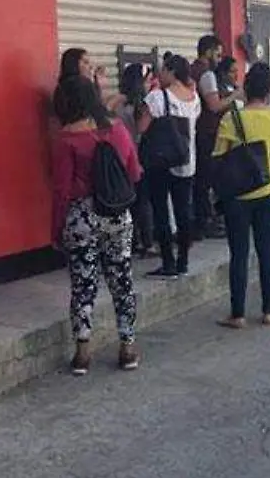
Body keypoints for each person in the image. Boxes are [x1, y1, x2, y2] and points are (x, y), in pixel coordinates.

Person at [51, 75, 143, 375]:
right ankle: (128, 348)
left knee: (83, 284)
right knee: (122, 280)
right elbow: (134, 171)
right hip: (117, 215)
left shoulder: (66, 139)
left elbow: (62, 190)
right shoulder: (117, 129)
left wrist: (56, 228)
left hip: (82, 217)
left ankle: (82, 353)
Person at [214, 64, 270, 329]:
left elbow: (219, 155)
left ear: (246, 89)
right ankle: (269, 311)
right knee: (266, 251)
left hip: (238, 196)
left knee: (239, 254)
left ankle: (238, 314)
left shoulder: (231, 119)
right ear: (269, 90)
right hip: (268, 191)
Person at [139, 54, 202, 278]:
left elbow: (141, 127)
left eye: (163, 70)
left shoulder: (157, 97)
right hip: (186, 159)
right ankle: (183, 261)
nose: (160, 74)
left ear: (172, 72)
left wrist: (145, 93)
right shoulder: (194, 97)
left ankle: (168, 263)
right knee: (183, 211)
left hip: (160, 161)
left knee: (161, 211)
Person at [192, 35, 230, 241]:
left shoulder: (191, 70)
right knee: (207, 178)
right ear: (208, 52)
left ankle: (203, 219)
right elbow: (214, 106)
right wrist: (236, 96)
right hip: (208, 132)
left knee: (201, 178)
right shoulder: (206, 75)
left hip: (196, 131)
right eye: (218, 54)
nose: (219, 58)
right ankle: (206, 220)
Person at [118, 63, 155, 258]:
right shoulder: (142, 106)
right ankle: (147, 242)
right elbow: (143, 130)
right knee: (143, 201)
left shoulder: (118, 105)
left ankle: (130, 242)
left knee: (129, 202)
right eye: (148, 81)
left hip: (121, 158)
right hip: (140, 156)